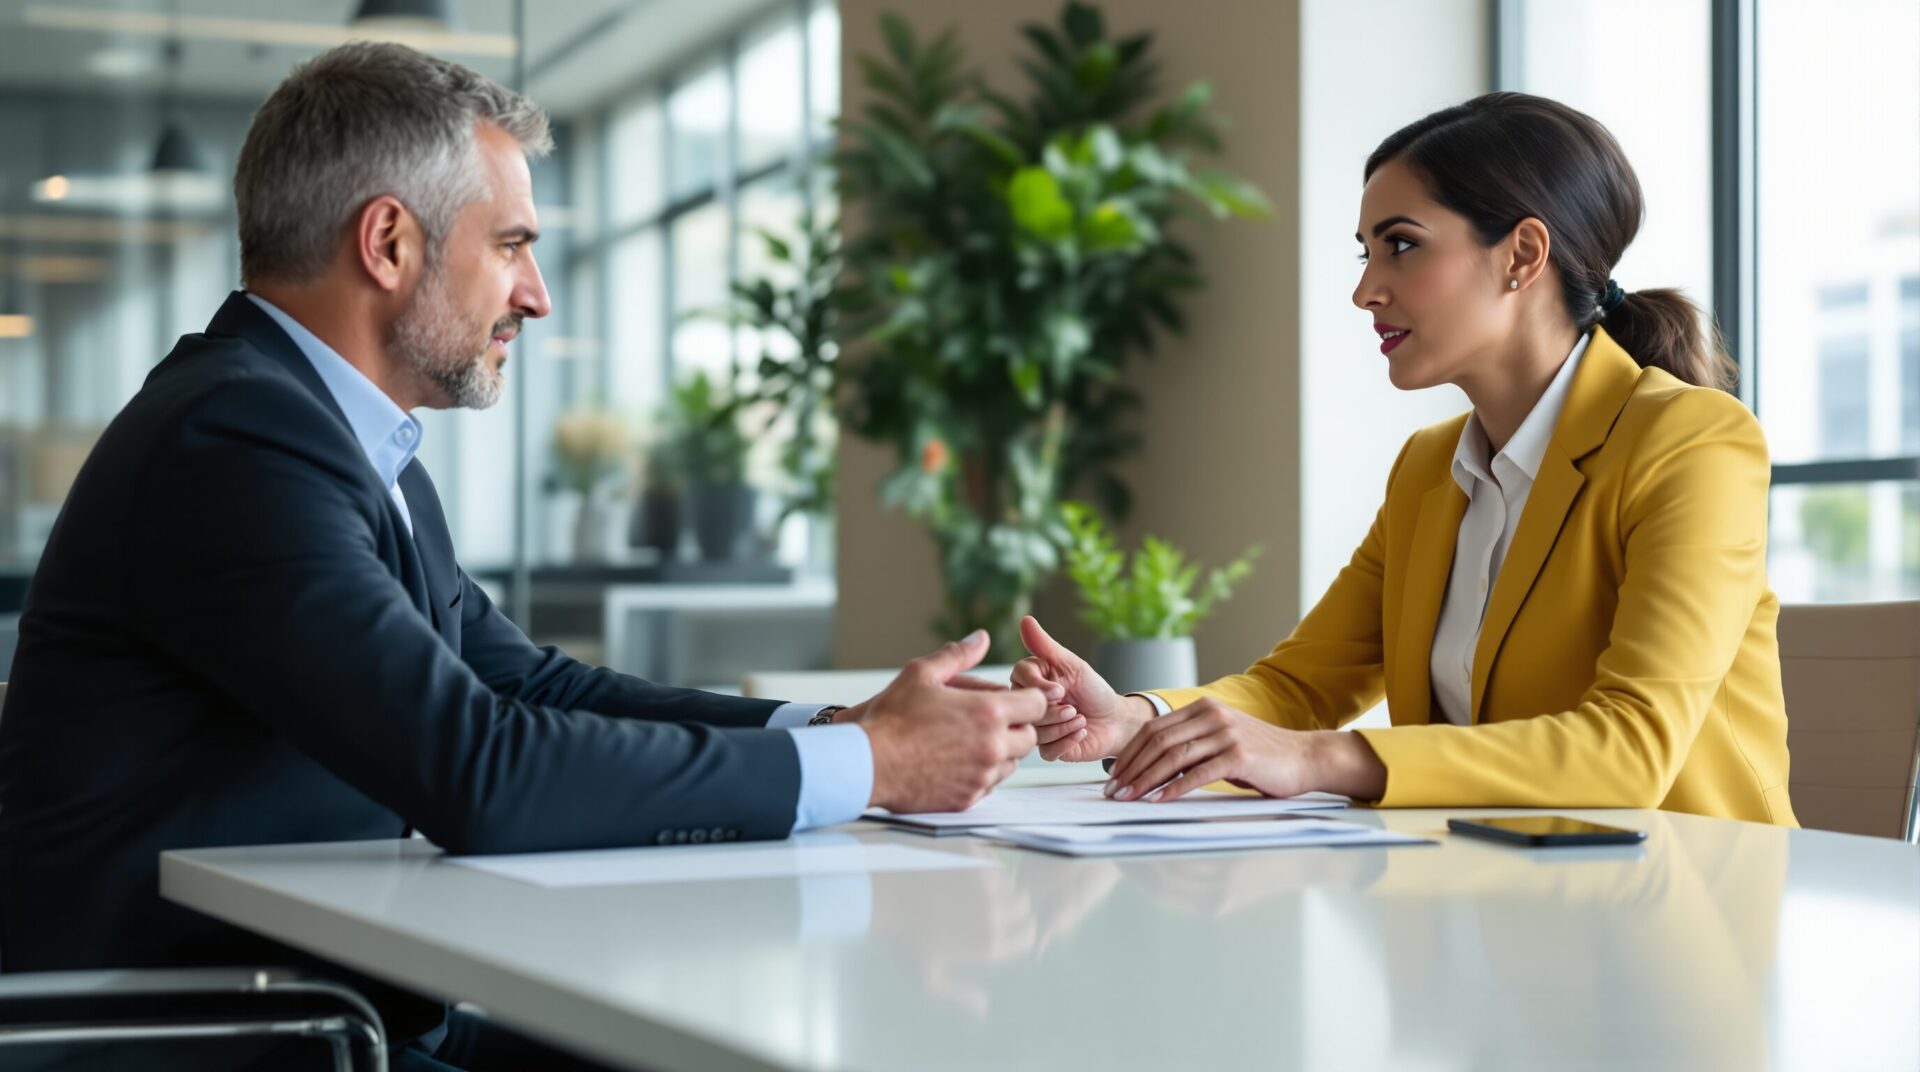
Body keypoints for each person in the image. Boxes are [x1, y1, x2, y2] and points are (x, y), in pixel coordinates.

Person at [0, 43, 1041, 1070]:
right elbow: (479, 768)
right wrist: (874, 765)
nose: (537, 295)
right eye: (510, 246)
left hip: (332, 1008)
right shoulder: (235, 440)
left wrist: (838, 728)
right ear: (388, 243)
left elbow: (530, 684)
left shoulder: (348, 445)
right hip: (197, 1037)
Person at [1014, 92, 1796, 826]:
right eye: (1367, 253)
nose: (1366, 291)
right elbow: (1299, 687)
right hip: (1492, 889)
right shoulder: (1428, 468)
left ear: (1523, 254)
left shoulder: (1692, 442)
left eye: (1401, 246)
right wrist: (1134, 719)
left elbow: (1631, 750)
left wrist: (1318, 759)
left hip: (1684, 895)